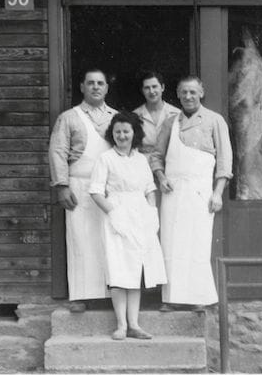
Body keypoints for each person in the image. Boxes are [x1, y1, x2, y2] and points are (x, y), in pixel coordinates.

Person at [151, 76, 233, 312]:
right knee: (171, 242)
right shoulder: (170, 122)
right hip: (173, 191)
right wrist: (162, 177)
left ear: (201, 93)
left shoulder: (214, 120)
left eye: (193, 92)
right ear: (177, 94)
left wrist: (217, 193)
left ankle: (199, 297)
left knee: (197, 243)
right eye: (184, 92)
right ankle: (171, 298)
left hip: (200, 191)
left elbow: (224, 162)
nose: (188, 97)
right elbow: (157, 155)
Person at [89, 111, 167, 340]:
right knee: (118, 269)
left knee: (136, 269)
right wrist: (114, 213)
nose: (122, 136)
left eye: (126, 131)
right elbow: (95, 191)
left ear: (134, 133)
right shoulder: (106, 159)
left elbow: (149, 189)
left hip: (140, 216)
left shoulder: (141, 159)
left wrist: (152, 213)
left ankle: (134, 324)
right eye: (117, 132)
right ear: (112, 134)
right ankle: (121, 325)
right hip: (116, 216)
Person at [48, 68, 117, 310]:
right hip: (78, 185)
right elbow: (57, 152)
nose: (96, 87)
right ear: (82, 87)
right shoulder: (69, 117)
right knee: (80, 239)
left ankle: (111, 296)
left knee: (107, 239)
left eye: (100, 83)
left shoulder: (116, 117)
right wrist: (62, 186)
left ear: (107, 87)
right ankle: (80, 296)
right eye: (91, 83)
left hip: (108, 188)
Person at [132, 70, 180, 164]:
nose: (151, 91)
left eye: (154, 87)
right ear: (142, 91)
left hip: (169, 164)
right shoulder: (135, 116)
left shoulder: (176, 114)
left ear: (162, 87)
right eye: (147, 88)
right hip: (144, 165)